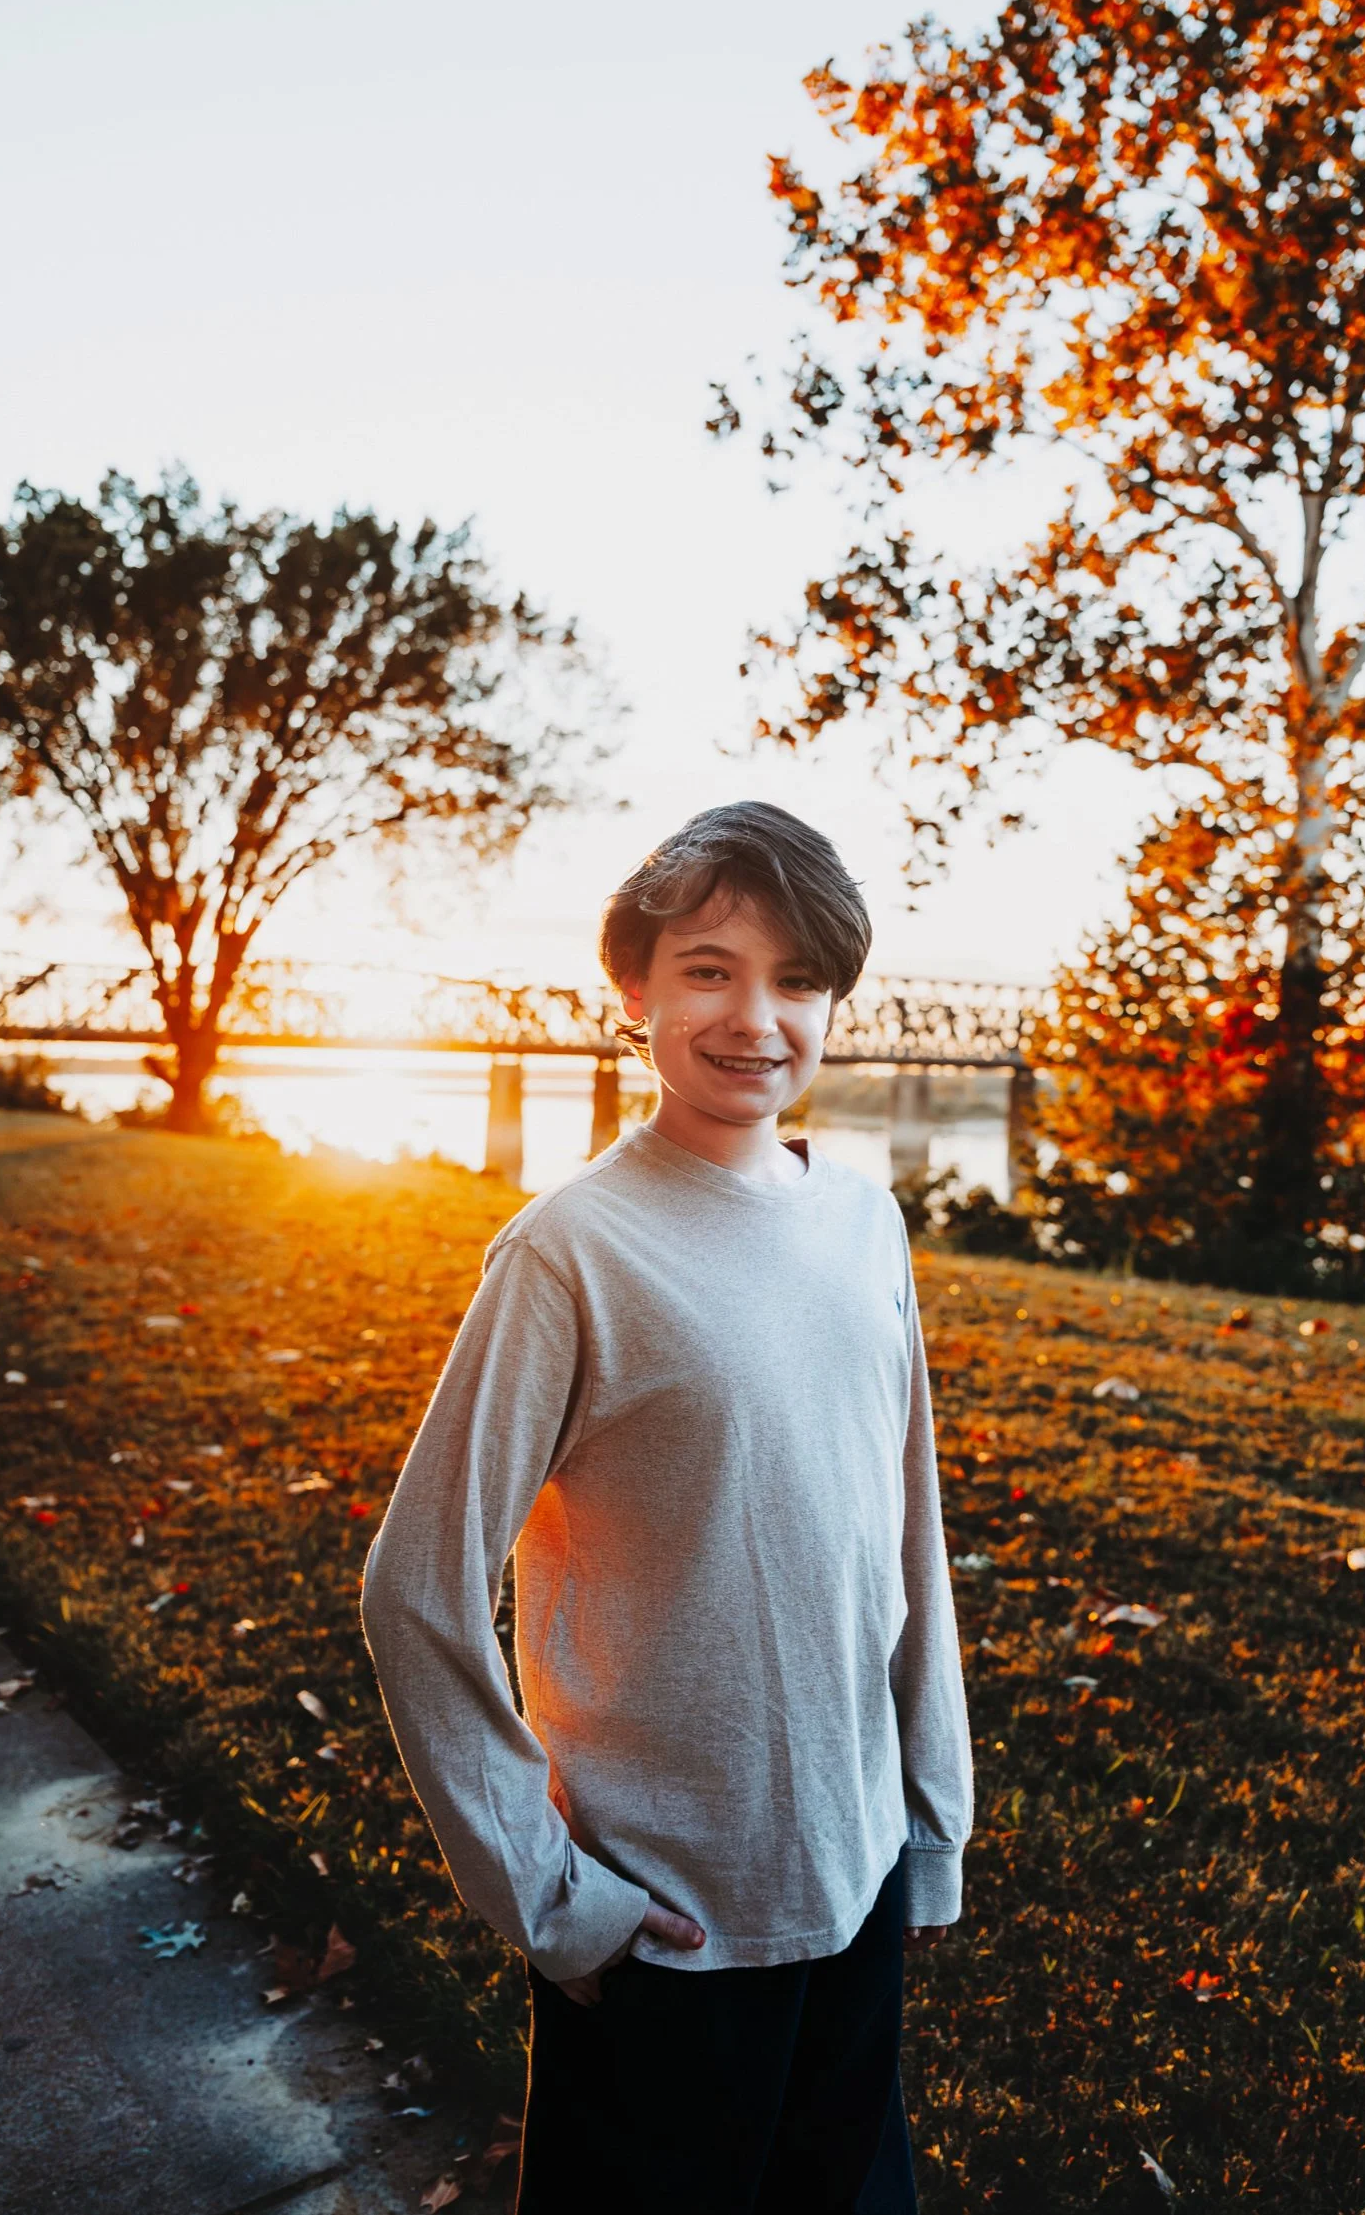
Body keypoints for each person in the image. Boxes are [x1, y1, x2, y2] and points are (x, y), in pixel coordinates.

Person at [360, 801, 974, 2212]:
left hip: (857, 1871)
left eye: (797, 977)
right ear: (631, 988)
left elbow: (904, 1540)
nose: (754, 1016)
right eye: (706, 967)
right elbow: (416, 1587)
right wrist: (554, 1900)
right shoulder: (569, 1253)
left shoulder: (863, 1220)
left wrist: (926, 1827)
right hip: (667, 1922)